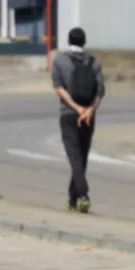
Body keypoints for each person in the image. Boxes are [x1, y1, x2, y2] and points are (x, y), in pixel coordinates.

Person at [51, 26, 104, 213]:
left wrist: (77, 108)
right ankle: (73, 199)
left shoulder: (59, 61)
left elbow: (59, 88)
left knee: (74, 157)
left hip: (68, 114)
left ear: (69, 41)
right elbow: (100, 92)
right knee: (82, 156)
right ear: (84, 42)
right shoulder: (94, 63)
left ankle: (82, 194)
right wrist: (89, 110)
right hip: (89, 117)